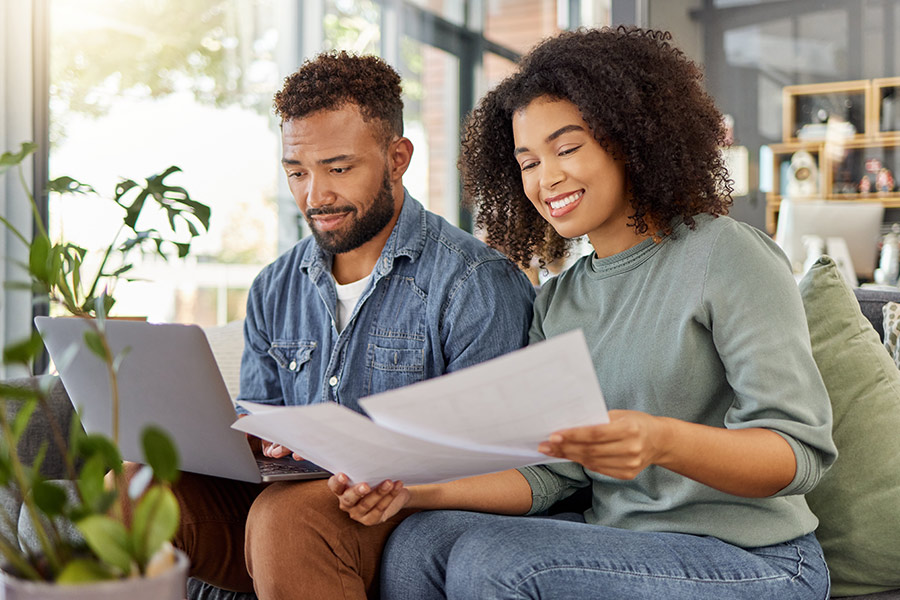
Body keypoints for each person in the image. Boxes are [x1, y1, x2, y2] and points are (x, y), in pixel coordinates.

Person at [329, 26, 838, 599]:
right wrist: (416, 491)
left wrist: (661, 440)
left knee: (495, 560)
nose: (547, 179)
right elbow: (555, 473)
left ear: (632, 138)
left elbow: (799, 452)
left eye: (567, 148)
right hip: (623, 545)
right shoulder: (558, 300)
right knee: (419, 541)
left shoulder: (725, 253)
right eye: (527, 162)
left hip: (758, 560)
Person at [170, 51, 536, 599]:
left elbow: (498, 459)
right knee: (134, 487)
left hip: (402, 512)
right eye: (297, 172)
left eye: (338, 169)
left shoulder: (475, 282)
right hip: (289, 505)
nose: (315, 197)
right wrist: (251, 436)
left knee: (286, 517)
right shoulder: (276, 286)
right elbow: (260, 415)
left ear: (397, 157)